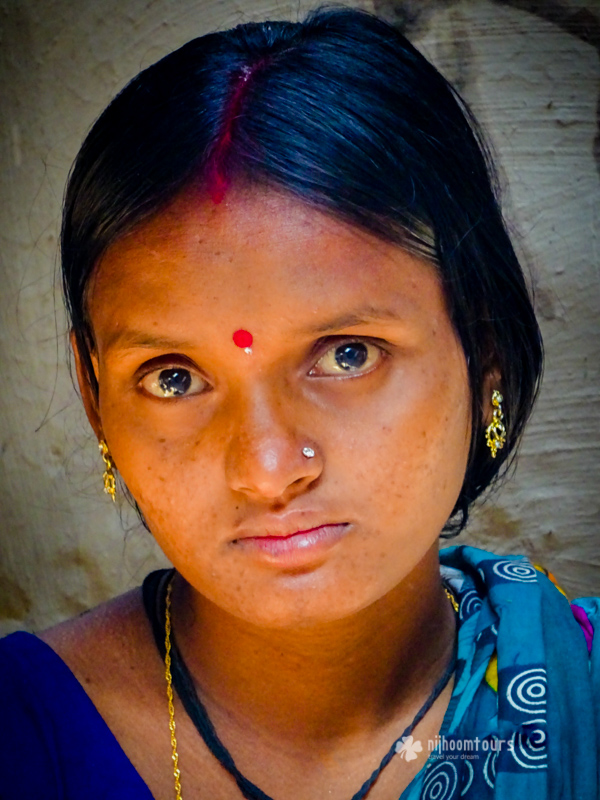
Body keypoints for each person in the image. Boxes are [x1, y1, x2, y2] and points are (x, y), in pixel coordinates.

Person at [0, 7, 597, 800]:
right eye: (174, 376)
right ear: (95, 397)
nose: (268, 470)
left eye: (347, 355)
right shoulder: (22, 739)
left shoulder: (578, 696)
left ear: (484, 354)